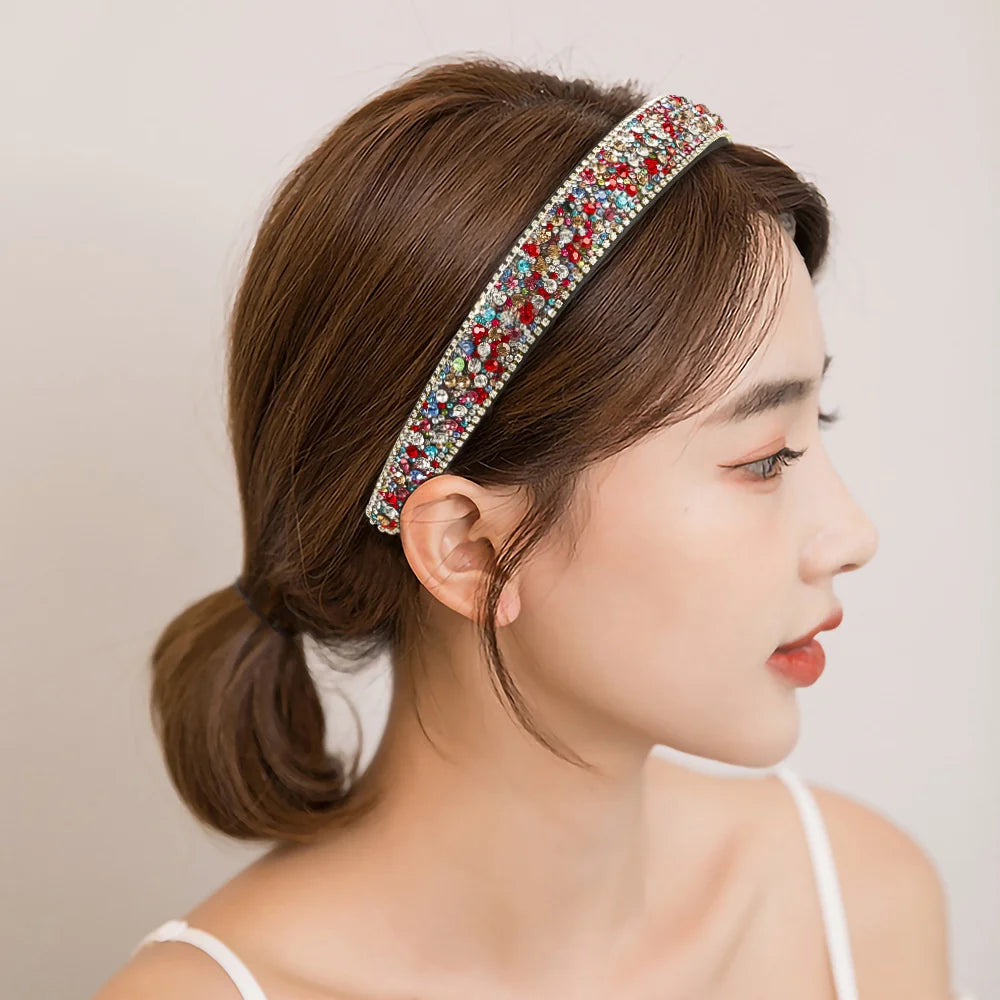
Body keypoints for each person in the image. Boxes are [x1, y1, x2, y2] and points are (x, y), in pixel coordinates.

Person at [92, 55, 973, 999]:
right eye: (764, 458)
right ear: (470, 548)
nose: (852, 534)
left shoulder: (857, 905)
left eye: (816, 424)